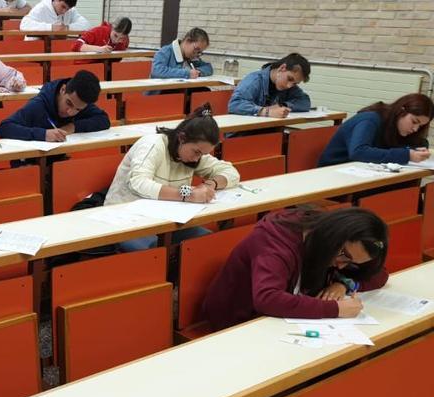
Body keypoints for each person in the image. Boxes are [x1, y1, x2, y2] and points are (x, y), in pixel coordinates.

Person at [202, 207, 389, 331]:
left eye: (352, 263)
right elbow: (268, 298)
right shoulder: (275, 243)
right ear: (334, 236)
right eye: (344, 255)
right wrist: (335, 308)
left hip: (279, 321)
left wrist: (343, 283)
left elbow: (379, 275)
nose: (341, 265)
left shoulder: (328, 243)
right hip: (237, 324)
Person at [103, 103, 240, 251]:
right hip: (126, 218)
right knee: (152, 250)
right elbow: (139, 183)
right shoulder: (153, 144)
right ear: (182, 138)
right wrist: (189, 194)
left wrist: (210, 184)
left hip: (165, 219)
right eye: (196, 152)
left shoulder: (193, 155)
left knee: (207, 242)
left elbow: (231, 172)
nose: (197, 159)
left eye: (203, 154)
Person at [318, 93, 433, 166]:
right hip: (335, 171)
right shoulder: (369, 119)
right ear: (401, 111)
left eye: (421, 126)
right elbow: (359, 152)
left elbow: (418, 142)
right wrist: (406, 155)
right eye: (414, 122)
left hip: (363, 171)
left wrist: (418, 150)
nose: (415, 129)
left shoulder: (398, 126)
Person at [0, 69, 109, 142]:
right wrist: (43, 134)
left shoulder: (81, 100)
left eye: (78, 110)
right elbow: (4, 128)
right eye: (68, 103)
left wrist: (73, 127)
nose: (70, 112)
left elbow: (104, 120)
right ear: (63, 90)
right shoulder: (39, 104)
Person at [228, 53, 312, 117]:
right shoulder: (254, 80)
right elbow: (235, 104)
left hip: (268, 132)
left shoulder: (289, 86)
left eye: (294, 83)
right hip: (242, 134)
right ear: (282, 68)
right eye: (290, 79)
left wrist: (282, 105)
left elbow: (305, 102)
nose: (289, 86)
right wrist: (266, 112)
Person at [19, 0, 90, 32]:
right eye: (63, 7)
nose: (64, 11)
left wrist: (66, 28)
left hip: (56, 47)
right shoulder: (41, 7)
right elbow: (24, 24)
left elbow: (86, 25)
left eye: (68, 9)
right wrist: (51, 27)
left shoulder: (71, 11)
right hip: (35, 46)